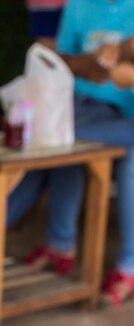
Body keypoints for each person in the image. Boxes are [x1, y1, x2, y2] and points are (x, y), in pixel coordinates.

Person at [54, 0, 134, 306]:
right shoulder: (79, 6)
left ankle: (128, 268)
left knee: (65, 139)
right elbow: (63, 57)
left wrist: (128, 74)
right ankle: (61, 247)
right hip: (83, 107)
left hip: (123, 117)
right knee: (63, 142)